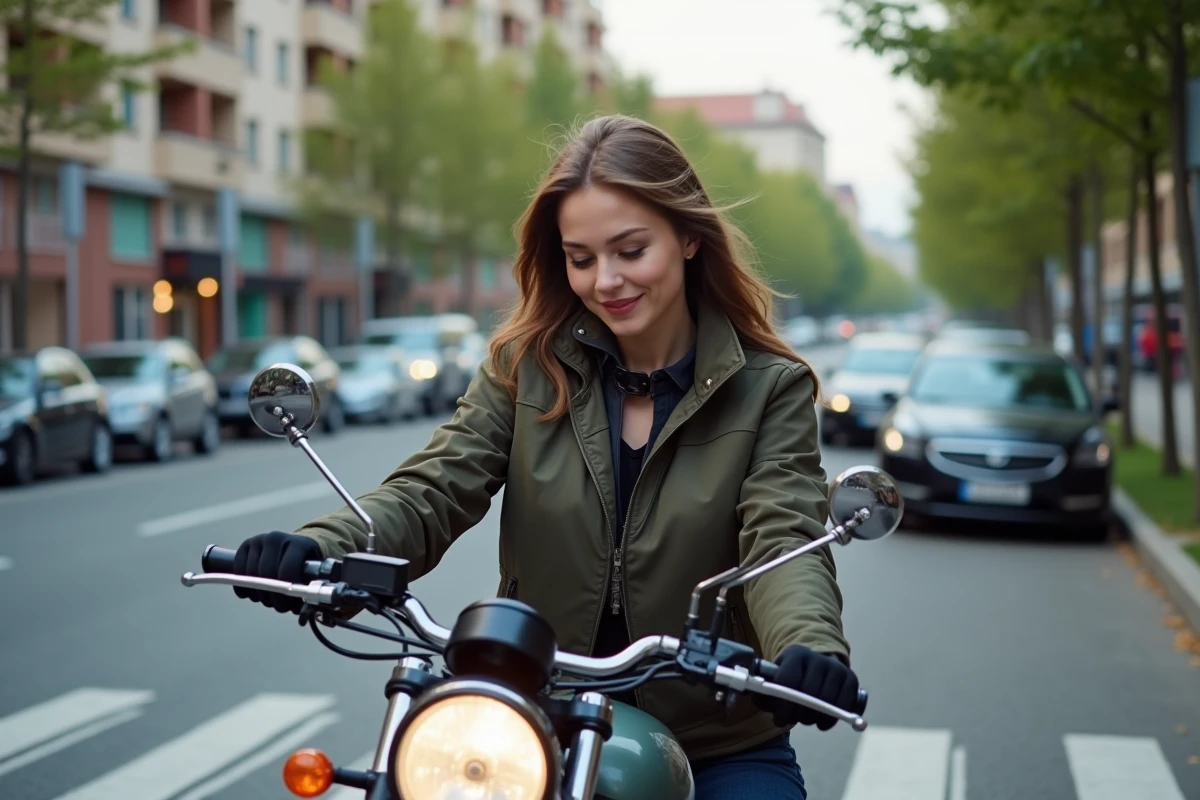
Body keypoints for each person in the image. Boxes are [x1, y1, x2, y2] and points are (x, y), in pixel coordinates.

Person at [230, 114, 859, 799]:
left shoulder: (769, 389)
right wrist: (319, 546)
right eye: (580, 258)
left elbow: (783, 537)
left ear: (687, 237)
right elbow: (434, 487)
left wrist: (806, 647)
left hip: (716, 737)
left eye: (630, 250)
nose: (606, 280)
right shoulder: (523, 368)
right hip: (532, 719)